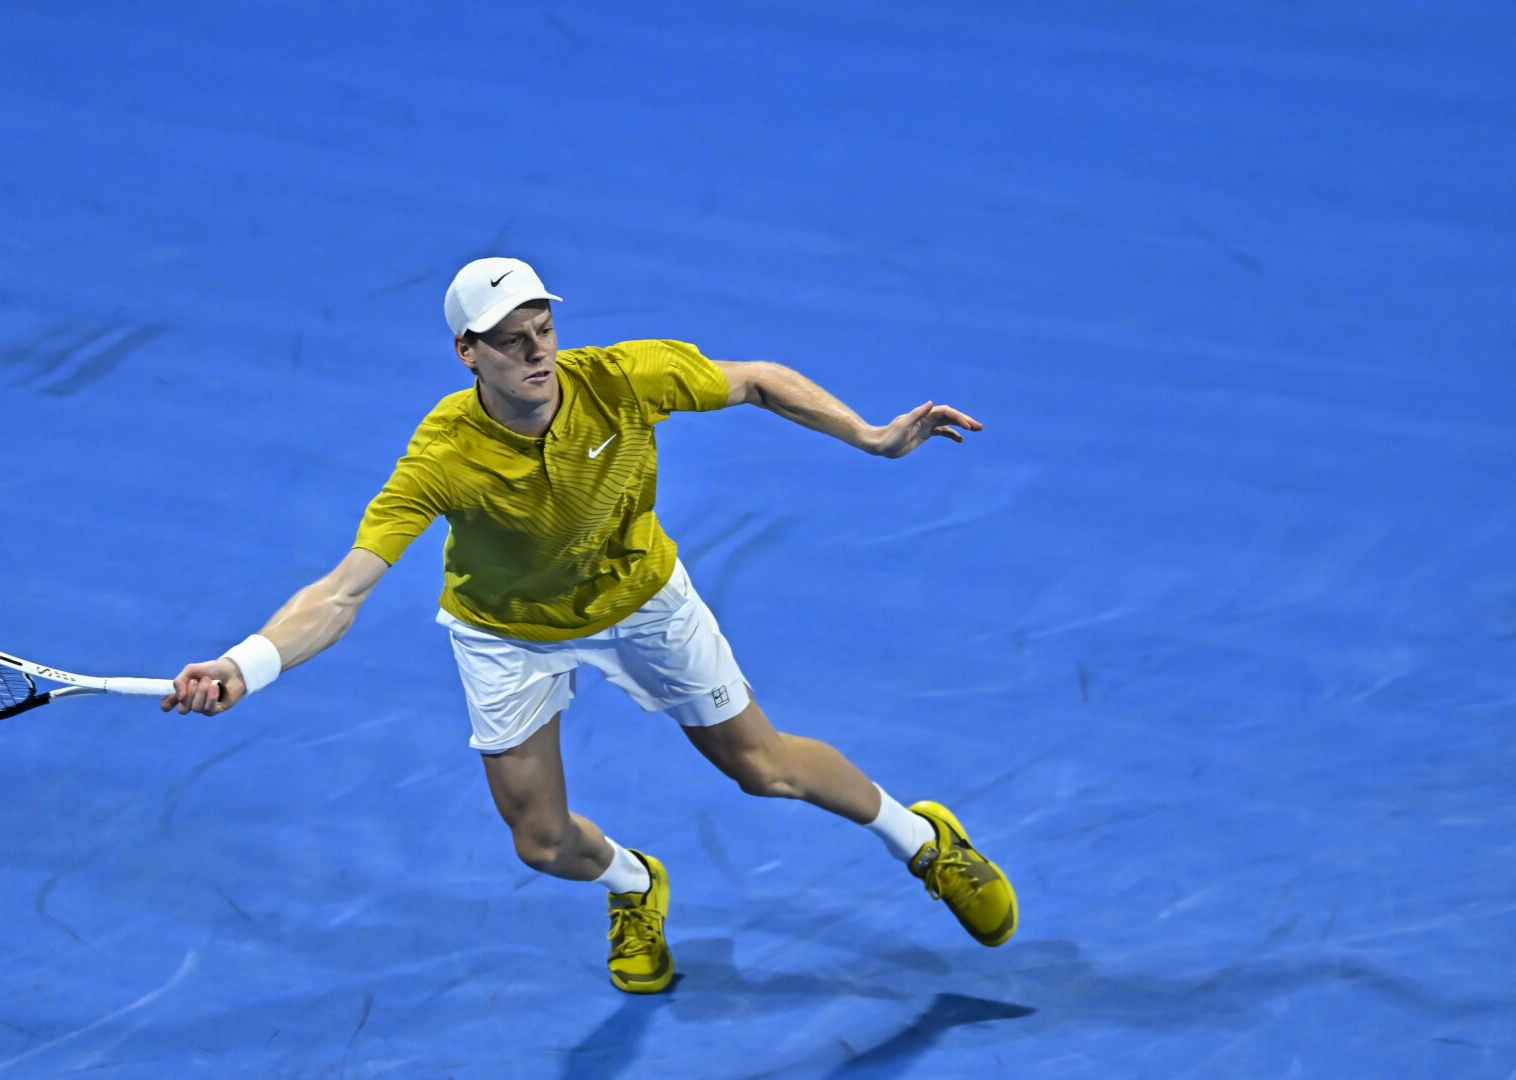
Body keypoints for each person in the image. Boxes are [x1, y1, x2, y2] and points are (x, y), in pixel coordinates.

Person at [161, 257, 1016, 993]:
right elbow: (343, 592)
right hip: (508, 632)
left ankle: (923, 839)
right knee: (540, 843)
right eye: (510, 340)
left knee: (765, 769)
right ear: (467, 353)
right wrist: (245, 664)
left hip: (641, 596)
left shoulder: (623, 378)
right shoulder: (442, 456)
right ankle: (635, 883)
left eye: (543, 329)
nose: (537, 351)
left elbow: (755, 379)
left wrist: (870, 436)